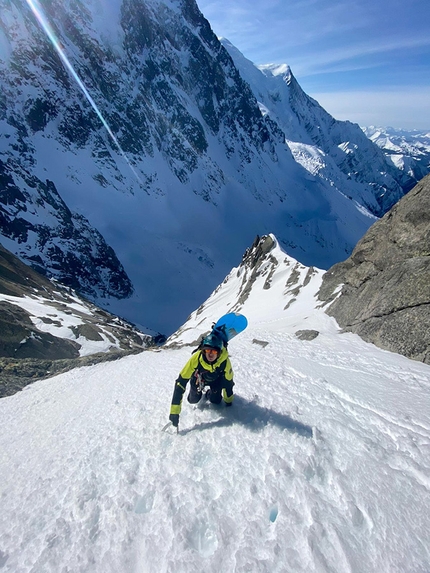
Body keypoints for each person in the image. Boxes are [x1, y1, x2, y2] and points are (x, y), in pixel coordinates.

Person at [169, 330, 234, 428]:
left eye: (214, 351)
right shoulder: (196, 358)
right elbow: (180, 382)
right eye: (208, 350)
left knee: (216, 401)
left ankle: (209, 394)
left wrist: (228, 400)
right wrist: (174, 412)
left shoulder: (224, 361)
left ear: (219, 352)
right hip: (198, 380)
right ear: (203, 350)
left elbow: (228, 381)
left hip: (216, 380)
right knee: (192, 400)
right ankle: (198, 393)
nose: (210, 354)